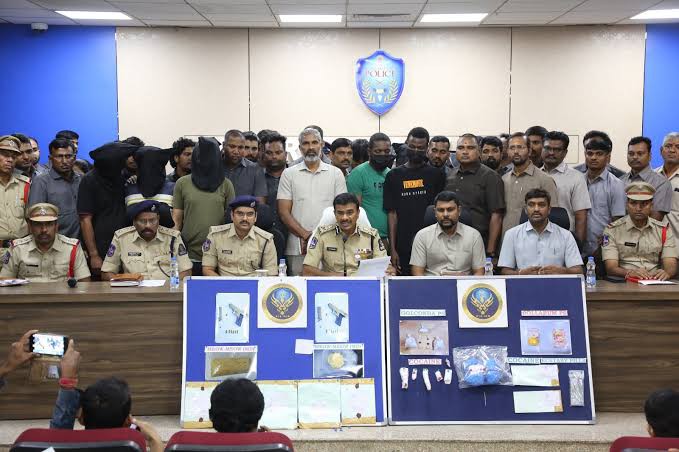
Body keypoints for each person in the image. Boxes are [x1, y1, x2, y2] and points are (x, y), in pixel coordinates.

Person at [49, 341, 164, 452]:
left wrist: (68, 381)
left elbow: (56, 440)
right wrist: (155, 441)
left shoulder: (56, 449)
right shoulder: (134, 448)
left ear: (81, 418)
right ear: (127, 422)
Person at [277, 127, 347, 276]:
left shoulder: (336, 174)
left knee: (331, 287)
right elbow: (283, 212)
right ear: (300, 147)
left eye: (315, 142)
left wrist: (318, 238)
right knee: (299, 287)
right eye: (306, 143)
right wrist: (306, 235)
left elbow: (342, 211)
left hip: (331, 245)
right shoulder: (289, 174)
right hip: (298, 246)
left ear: (321, 145)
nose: (310, 147)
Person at [384, 128, 446, 276]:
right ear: (406, 144)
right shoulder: (393, 175)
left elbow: (441, 211)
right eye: (412, 146)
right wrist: (393, 249)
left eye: (420, 147)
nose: (416, 151)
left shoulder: (436, 175)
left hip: (431, 244)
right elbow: (392, 214)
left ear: (427, 147)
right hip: (402, 244)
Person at [172, 137, 235, 276]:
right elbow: (176, 220)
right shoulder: (182, 183)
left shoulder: (226, 185)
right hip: (189, 254)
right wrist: (173, 247)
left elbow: (231, 220)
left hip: (218, 254)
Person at [78, 141, 137, 277]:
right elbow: (85, 220)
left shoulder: (122, 177)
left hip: (124, 243)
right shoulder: (89, 181)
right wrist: (94, 255)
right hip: (100, 245)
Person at [445, 133, 505, 259]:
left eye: (470, 148)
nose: (465, 152)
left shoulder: (490, 176)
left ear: (478, 152)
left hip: (479, 243)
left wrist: (490, 252)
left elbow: (497, 215)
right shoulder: (450, 175)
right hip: (450, 243)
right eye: (461, 148)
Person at [602, 182, 678, 281]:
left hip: (655, 281)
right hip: (624, 281)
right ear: (627, 205)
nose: (638, 208)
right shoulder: (612, 230)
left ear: (651, 206)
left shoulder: (663, 230)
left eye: (644, 204)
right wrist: (629, 272)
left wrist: (666, 273)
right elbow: (611, 268)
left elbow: (671, 264)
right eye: (633, 203)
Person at [498, 189, 583, 275]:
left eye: (541, 205)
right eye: (531, 205)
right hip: (523, 283)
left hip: (555, 283)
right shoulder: (511, 235)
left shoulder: (566, 235)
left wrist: (562, 271)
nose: (536, 209)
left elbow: (578, 271)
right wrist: (521, 274)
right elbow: (504, 272)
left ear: (549, 209)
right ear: (525, 210)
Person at [101, 201, 192, 280]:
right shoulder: (121, 238)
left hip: (165, 291)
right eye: (142, 221)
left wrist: (170, 287)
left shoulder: (173, 238)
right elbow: (106, 273)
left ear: (158, 219)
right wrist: (124, 282)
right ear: (134, 222)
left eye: (152, 221)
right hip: (133, 292)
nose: (148, 225)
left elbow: (186, 271)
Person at [0, 203, 90, 282]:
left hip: (62, 296)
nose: (44, 230)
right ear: (30, 226)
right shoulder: (17, 249)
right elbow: (5, 280)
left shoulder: (72, 248)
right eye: (38, 224)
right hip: (27, 296)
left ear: (56, 226)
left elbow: (84, 284)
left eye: (49, 224)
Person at [303, 193, 387, 276]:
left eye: (350, 213)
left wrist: (388, 270)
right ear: (335, 214)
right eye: (340, 213)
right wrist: (333, 276)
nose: (344, 218)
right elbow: (307, 270)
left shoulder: (371, 236)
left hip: (362, 282)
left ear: (358, 213)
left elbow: (384, 267)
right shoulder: (322, 235)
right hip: (332, 283)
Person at [410, 191, 485, 276]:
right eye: (441, 210)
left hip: (463, 283)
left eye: (450, 210)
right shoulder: (422, 236)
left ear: (459, 211)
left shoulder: (474, 236)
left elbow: (479, 272)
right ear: (435, 212)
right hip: (432, 283)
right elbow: (417, 273)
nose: (445, 214)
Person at [202, 196, 277, 276]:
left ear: (255, 217)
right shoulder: (216, 236)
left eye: (250, 214)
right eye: (240, 214)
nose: (245, 218)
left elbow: (271, 274)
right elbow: (207, 269)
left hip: (254, 283)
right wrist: (223, 283)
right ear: (232, 215)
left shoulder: (265, 240)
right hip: (224, 283)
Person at [502, 132, 559, 235]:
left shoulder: (545, 180)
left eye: (520, 147)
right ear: (507, 151)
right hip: (506, 239)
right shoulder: (503, 179)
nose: (516, 151)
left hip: (535, 239)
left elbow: (553, 215)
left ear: (529, 151)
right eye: (512, 148)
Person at [541, 131, 591, 244]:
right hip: (536, 239)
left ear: (565, 152)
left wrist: (577, 246)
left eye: (557, 149)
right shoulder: (535, 175)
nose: (551, 153)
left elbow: (581, 216)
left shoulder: (576, 177)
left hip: (565, 241)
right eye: (547, 148)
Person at [28, 138, 82, 239]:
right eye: (59, 156)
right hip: (53, 242)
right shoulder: (41, 182)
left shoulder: (80, 180)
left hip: (79, 243)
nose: (64, 161)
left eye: (68, 156)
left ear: (74, 158)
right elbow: (35, 217)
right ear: (50, 158)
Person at [346, 132, 394, 243]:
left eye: (386, 151)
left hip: (388, 238)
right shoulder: (358, 174)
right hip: (366, 237)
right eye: (378, 151)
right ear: (369, 151)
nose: (382, 154)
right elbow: (355, 210)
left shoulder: (391, 174)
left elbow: (393, 211)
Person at [583, 139, 626, 257]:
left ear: (608, 157)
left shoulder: (616, 185)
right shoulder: (578, 181)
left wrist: (605, 244)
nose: (593, 158)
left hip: (604, 249)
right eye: (590, 153)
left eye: (599, 154)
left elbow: (618, 222)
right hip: (577, 248)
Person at [620, 136, 673, 221]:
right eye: (631, 153)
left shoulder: (661, 183)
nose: (635, 157)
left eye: (640, 153)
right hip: (620, 229)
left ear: (650, 156)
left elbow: (655, 220)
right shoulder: (620, 181)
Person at [0, 135, 31, 270]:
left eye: (13, 156)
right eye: (5, 155)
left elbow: (31, 220)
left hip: (20, 251)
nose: (10, 160)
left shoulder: (25, 184)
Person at [125, 146, 175, 228]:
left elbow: (177, 221)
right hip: (133, 235)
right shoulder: (128, 188)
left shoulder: (173, 188)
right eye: (145, 164)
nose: (149, 169)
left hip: (165, 235)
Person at [261, 132, 288, 256]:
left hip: (294, 238)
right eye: (269, 153)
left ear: (285, 154)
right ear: (263, 154)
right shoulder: (256, 178)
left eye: (278, 152)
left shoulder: (297, 176)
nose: (274, 156)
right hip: (264, 239)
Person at [223, 129, 267, 203]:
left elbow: (260, 204)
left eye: (240, 147)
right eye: (232, 146)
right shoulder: (214, 167)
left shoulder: (256, 170)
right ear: (224, 145)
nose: (236, 151)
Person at [657, 132, 679, 246]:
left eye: (677, 147)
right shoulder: (652, 176)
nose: (672, 150)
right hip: (653, 243)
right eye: (668, 146)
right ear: (661, 150)